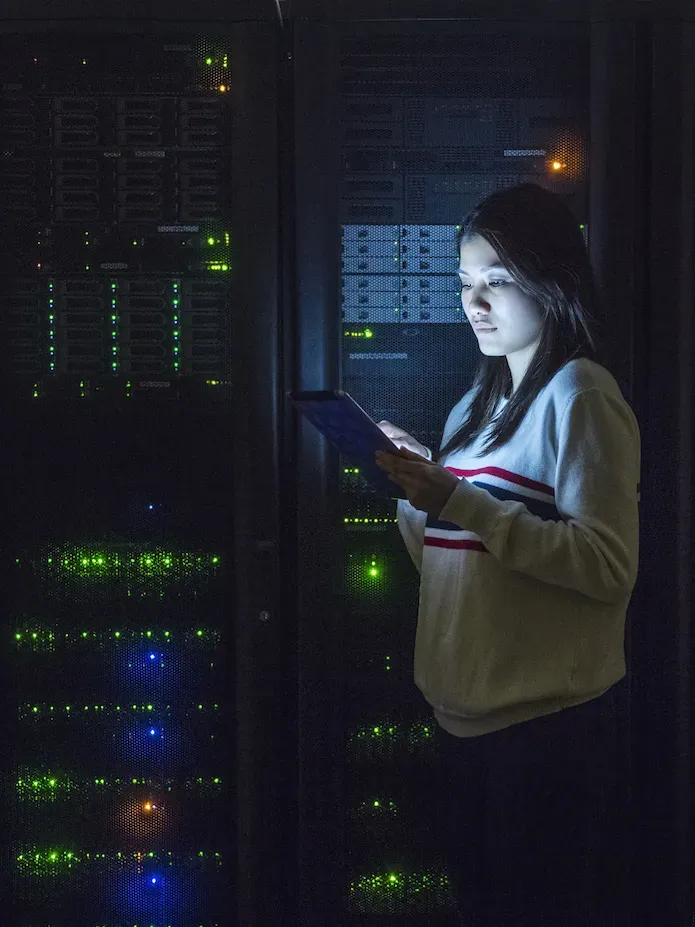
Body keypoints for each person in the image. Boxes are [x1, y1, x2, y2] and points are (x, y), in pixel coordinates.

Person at [374, 183, 640, 927]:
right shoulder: (474, 407)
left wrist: (455, 499)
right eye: (464, 282)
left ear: (551, 282)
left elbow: (607, 564)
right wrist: (413, 488)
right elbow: (452, 569)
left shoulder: (580, 394)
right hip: (463, 726)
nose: (474, 302)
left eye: (497, 280)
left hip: (543, 738)